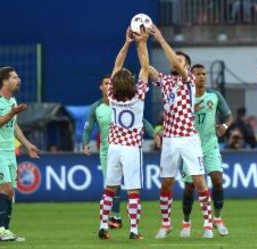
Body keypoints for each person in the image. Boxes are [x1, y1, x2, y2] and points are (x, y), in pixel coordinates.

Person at [149, 25, 213, 239]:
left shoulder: (189, 80)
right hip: (169, 139)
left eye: (180, 61)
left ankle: (207, 225)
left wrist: (160, 39)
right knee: (166, 182)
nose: (175, 62)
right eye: (175, 60)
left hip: (189, 137)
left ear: (187, 66)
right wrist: (138, 43)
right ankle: (166, 224)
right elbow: (146, 67)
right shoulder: (165, 81)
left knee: (199, 180)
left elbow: (175, 62)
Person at [82, 74, 156, 229]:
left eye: (110, 82)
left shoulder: (125, 102)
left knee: (124, 186)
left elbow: (142, 121)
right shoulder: (96, 107)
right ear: (101, 87)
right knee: (111, 186)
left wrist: (154, 133)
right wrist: (85, 142)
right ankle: (116, 218)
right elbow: (88, 127)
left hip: (126, 147)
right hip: (107, 151)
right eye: (105, 83)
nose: (108, 85)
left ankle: (114, 220)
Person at [97, 27, 150, 240]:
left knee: (110, 189)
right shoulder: (138, 96)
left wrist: (127, 43)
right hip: (131, 148)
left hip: (114, 147)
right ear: (131, 82)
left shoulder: (112, 96)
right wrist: (142, 42)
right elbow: (145, 67)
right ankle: (134, 230)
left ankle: (103, 225)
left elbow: (117, 64)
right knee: (134, 191)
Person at [0, 66, 39, 241]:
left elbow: (14, 126)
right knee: (5, 189)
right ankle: (0, 231)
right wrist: (12, 112)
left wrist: (28, 145)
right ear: (4, 81)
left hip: (9, 153)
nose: (18, 80)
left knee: (11, 192)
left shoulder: (12, 101)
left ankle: (6, 231)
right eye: (14, 77)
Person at [179, 64, 232, 238]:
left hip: (210, 144)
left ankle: (218, 219)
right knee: (189, 187)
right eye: (198, 74)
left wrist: (224, 126)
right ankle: (186, 221)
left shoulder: (214, 95)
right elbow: (171, 116)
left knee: (217, 179)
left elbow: (228, 115)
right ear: (191, 77)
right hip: (190, 146)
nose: (201, 77)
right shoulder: (185, 96)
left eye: (204, 74)